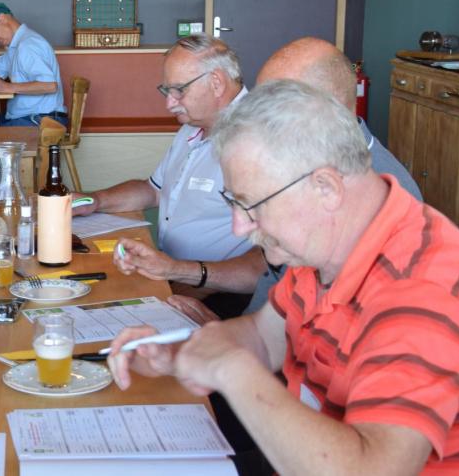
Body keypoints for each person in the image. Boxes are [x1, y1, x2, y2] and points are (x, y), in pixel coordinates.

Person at [107, 80, 459, 474]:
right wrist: (185, 354)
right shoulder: (324, 244)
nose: (239, 227)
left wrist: (232, 370)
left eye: (252, 205)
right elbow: (266, 334)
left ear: (325, 187)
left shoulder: (421, 286)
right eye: (233, 202)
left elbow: (373, 469)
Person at [166, 37, 424, 326]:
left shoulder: (381, 202)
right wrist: (235, 334)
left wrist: (239, 349)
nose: (259, 124)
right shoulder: (301, 166)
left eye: (275, 111)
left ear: (331, 112)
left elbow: (328, 352)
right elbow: (280, 294)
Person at [73, 35, 257, 319]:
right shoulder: (193, 125)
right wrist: (94, 200)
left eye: (179, 91)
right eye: (167, 91)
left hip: (220, 293)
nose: (170, 104)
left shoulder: (257, 139)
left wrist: (187, 276)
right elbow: (154, 190)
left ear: (217, 83)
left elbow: (269, 263)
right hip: (176, 275)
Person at [0, 2, 66, 127]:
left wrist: (9, 87)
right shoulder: (15, 46)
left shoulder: (28, 45)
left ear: (2, 18)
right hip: (29, 117)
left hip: (41, 120)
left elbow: (50, 86)